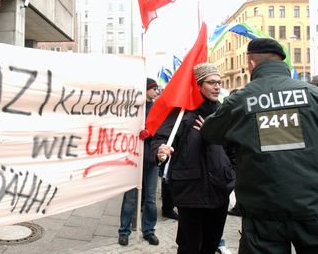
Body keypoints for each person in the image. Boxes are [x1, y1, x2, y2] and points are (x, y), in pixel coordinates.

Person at [201, 38, 318, 253]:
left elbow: (211, 132)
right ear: (283, 62)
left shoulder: (241, 100)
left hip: (263, 210)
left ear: (251, 64)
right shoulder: (311, 94)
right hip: (311, 204)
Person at [152, 63, 235, 254]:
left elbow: (234, 148)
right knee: (189, 246)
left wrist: (231, 174)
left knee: (211, 245)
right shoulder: (182, 113)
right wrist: (159, 150)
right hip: (190, 189)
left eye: (219, 83)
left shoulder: (223, 112)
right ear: (198, 85)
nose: (217, 87)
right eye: (212, 82)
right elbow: (161, 138)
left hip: (219, 188)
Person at [118, 78, 160, 246]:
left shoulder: (158, 108)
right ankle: (124, 231)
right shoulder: (133, 108)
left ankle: (149, 230)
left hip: (151, 159)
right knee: (130, 198)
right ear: (145, 90)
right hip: (134, 159)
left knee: (150, 198)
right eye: (154, 88)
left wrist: (151, 132)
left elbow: (163, 130)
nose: (157, 91)